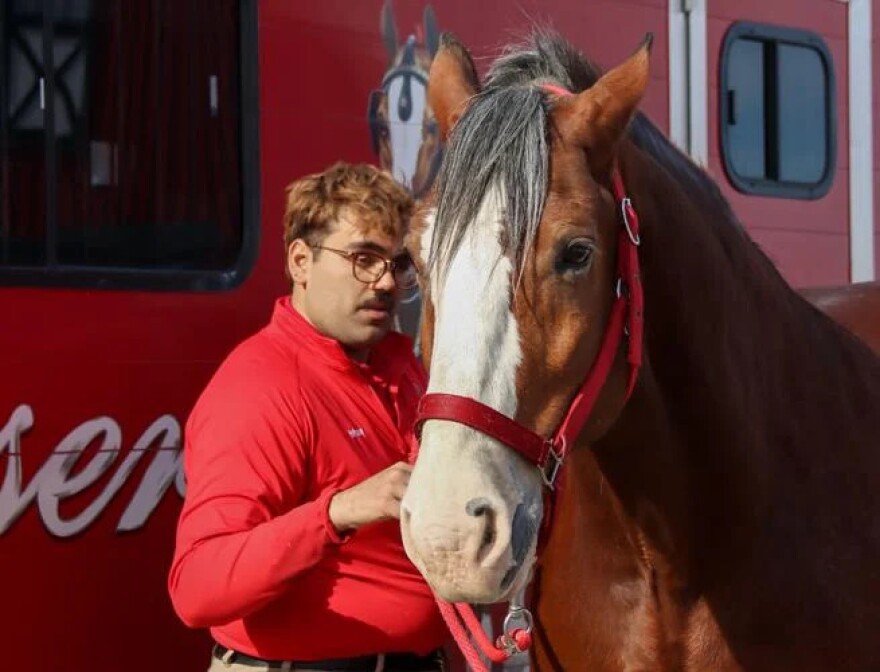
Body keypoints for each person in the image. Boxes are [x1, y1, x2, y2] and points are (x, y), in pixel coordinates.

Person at [168, 162, 448, 671]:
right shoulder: (261, 385)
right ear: (301, 260)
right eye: (363, 258)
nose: (385, 282)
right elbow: (197, 588)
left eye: (397, 263)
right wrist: (337, 512)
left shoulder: (404, 368)